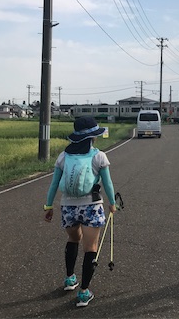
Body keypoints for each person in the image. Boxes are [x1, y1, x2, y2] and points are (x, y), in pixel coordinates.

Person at [44, 116, 117, 307]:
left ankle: (70, 279)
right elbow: (107, 183)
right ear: (93, 136)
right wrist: (112, 203)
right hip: (91, 206)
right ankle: (84, 293)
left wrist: (49, 206)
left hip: (68, 206)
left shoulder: (63, 156)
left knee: (73, 240)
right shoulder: (99, 156)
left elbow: (53, 184)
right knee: (90, 247)